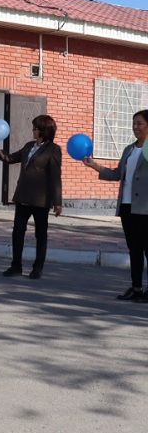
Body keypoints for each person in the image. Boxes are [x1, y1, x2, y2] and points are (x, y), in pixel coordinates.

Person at [0, 114, 63, 279]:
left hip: (40, 200)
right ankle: (16, 266)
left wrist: (57, 202)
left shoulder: (53, 150)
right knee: (17, 232)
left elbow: (55, 176)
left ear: (43, 130)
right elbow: (9, 158)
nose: (32, 131)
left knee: (40, 234)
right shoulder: (28, 146)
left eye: (35, 128)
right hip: (23, 197)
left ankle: (37, 268)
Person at [83, 110, 148, 300]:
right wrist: (94, 165)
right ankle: (136, 289)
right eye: (134, 123)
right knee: (134, 249)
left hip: (145, 208)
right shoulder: (129, 149)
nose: (135, 127)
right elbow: (118, 174)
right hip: (127, 207)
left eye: (140, 123)